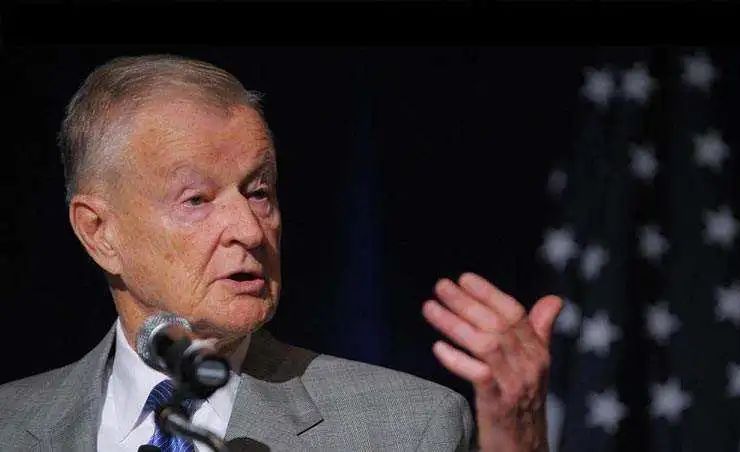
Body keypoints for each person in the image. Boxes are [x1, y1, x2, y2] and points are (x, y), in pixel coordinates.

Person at [0, 55, 563, 451]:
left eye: (259, 192)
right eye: (197, 199)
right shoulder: (11, 424)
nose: (249, 230)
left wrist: (517, 441)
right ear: (99, 231)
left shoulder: (406, 428)